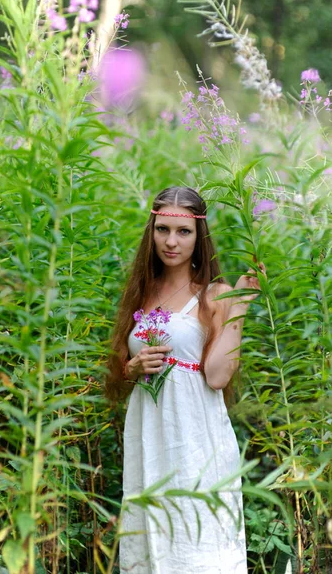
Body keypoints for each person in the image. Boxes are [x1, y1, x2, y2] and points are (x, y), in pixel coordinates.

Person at [105, 186, 266, 574]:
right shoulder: (142, 291)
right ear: (152, 231)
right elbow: (120, 373)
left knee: (196, 531)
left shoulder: (214, 294)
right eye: (163, 230)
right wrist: (132, 368)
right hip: (150, 432)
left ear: (200, 235)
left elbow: (216, 376)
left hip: (195, 434)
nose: (171, 242)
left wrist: (238, 311)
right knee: (152, 527)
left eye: (183, 232)